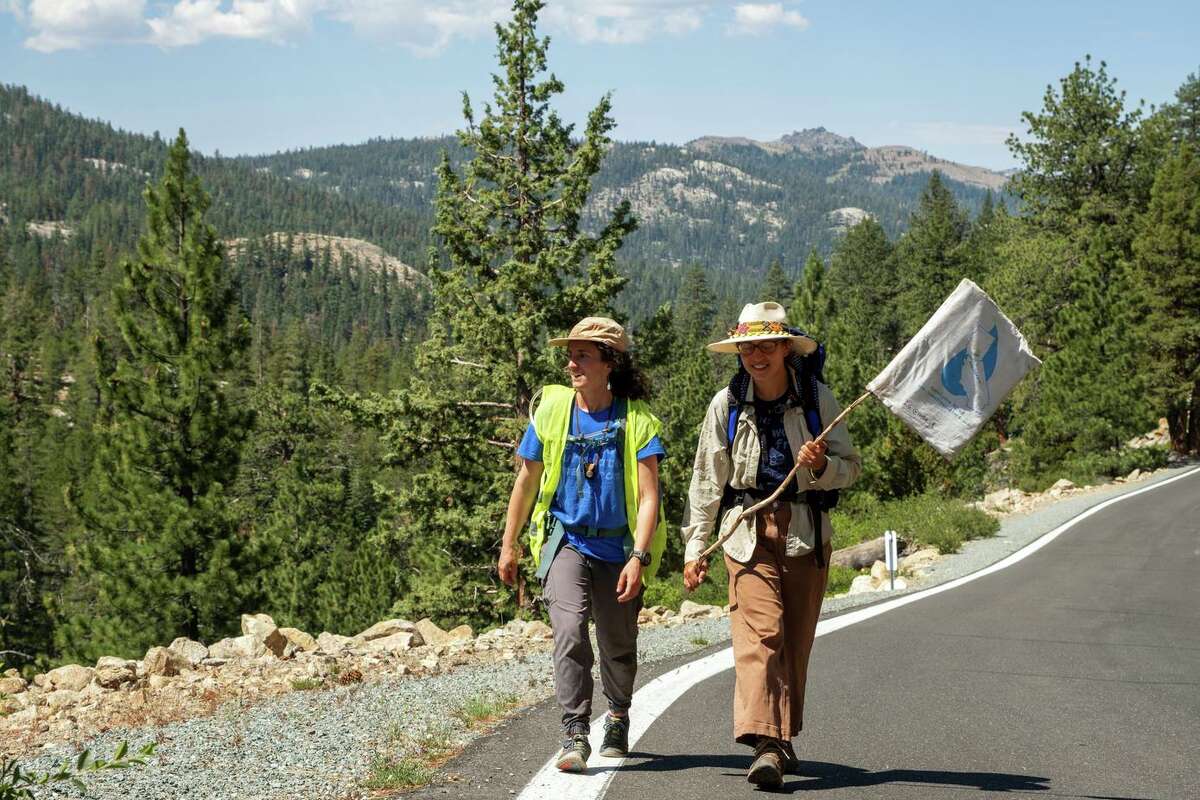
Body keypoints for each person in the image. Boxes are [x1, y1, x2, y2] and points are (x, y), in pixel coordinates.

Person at [681, 301, 861, 788]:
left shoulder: (817, 399)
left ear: (785, 348)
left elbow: (851, 468)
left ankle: (781, 737)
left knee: (795, 643)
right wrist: (695, 548)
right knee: (761, 637)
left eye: (765, 346)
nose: (756, 356)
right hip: (745, 533)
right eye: (747, 347)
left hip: (806, 532)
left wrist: (821, 466)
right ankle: (765, 743)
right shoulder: (727, 403)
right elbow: (706, 481)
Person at [498, 316, 667, 773]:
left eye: (583, 355)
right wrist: (508, 544)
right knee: (570, 629)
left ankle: (617, 713)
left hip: (618, 547)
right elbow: (526, 481)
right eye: (570, 354)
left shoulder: (637, 421)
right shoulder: (552, 412)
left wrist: (639, 555)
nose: (572, 363)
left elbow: (650, 496)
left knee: (617, 641)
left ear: (609, 362)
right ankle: (575, 730)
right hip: (566, 541)